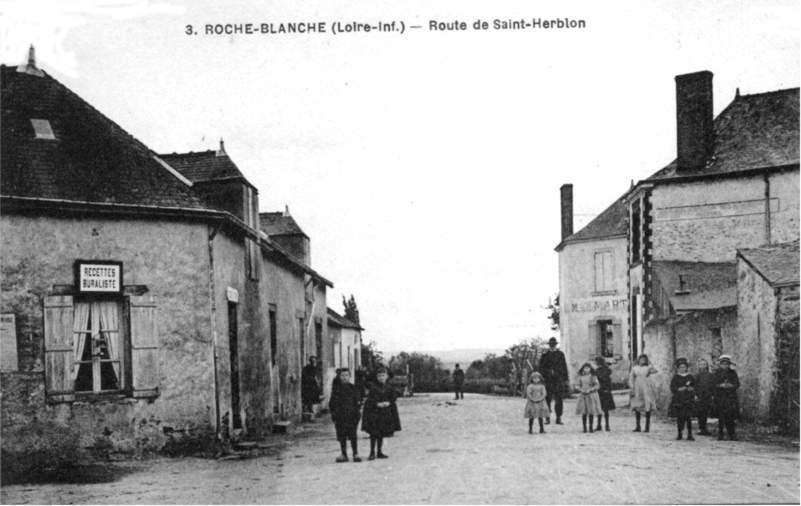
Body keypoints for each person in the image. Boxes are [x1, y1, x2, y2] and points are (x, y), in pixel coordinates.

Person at [362, 367, 401, 460]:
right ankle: (372, 452)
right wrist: (376, 404)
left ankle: (379, 452)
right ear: (376, 377)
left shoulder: (389, 387)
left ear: (387, 376)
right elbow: (369, 399)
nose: (381, 377)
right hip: (374, 412)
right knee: (373, 433)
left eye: (383, 375)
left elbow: (394, 397)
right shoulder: (373, 387)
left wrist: (389, 402)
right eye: (379, 376)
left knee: (381, 432)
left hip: (385, 412)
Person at [329, 368, 363, 463]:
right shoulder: (336, 389)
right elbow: (332, 403)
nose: (344, 377)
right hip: (340, 416)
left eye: (346, 375)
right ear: (339, 377)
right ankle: (344, 454)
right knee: (342, 434)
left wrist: (356, 413)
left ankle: (355, 453)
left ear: (349, 376)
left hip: (352, 416)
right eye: (342, 375)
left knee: (353, 434)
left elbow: (358, 402)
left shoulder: (354, 388)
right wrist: (334, 415)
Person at [540, 337, 569, 424]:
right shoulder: (545, 355)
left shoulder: (560, 354)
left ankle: (558, 417)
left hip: (558, 380)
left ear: (556, 345)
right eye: (551, 344)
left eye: (554, 344)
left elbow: (564, 367)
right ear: (549, 345)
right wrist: (543, 377)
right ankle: (547, 417)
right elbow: (541, 368)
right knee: (547, 399)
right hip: (548, 380)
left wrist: (565, 379)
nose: (552, 346)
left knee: (559, 399)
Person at [712, 355, 740, 441]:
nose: (725, 366)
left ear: (729, 364)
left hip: (730, 397)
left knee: (730, 416)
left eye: (726, 364)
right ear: (720, 365)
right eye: (723, 364)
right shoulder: (717, 373)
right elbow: (713, 384)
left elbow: (737, 384)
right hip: (720, 397)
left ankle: (731, 434)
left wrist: (731, 385)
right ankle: (720, 434)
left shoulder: (733, 373)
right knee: (721, 416)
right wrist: (721, 385)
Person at [629, 354, 658, 433]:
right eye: (641, 360)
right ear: (639, 360)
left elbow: (655, 371)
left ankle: (647, 426)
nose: (643, 361)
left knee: (647, 405)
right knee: (637, 406)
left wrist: (650, 364)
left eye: (644, 360)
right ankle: (638, 426)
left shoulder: (648, 368)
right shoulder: (634, 368)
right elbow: (631, 379)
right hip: (637, 387)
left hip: (646, 387)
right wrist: (632, 388)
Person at [669, 358, 696, 441]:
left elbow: (695, 386)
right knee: (680, 417)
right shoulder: (676, 377)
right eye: (680, 367)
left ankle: (690, 434)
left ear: (686, 368)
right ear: (678, 368)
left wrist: (691, 389)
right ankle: (679, 433)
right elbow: (672, 387)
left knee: (688, 417)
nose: (682, 369)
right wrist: (679, 389)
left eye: (684, 367)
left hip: (688, 398)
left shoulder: (690, 376)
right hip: (679, 399)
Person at [575, 363, 602, 433]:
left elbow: (597, 385)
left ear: (590, 369)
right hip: (583, 395)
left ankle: (590, 427)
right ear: (583, 369)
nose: (586, 369)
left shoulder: (593, 376)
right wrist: (580, 389)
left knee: (591, 411)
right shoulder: (580, 376)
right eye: (585, 368)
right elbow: (577, 385)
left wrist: (590, 390)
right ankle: (584, 427)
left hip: (591, 395)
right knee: (584, 411)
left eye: (588, 368)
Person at [593, 356, 616, 431]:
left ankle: (606, 425)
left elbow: (607, 380)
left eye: (596, 361)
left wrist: (608, 389)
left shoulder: (606, 370)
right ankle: (600, 425)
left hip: (604, 391)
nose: (595, 363)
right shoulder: (597, 370)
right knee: (599, 409)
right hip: (599, 391)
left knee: (605, 409)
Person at [694, 358, 714, 436]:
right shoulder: (697, 375)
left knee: (705, 412)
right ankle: (700, 428)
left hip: (707, 396)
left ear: (707, 365)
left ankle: (704, 428)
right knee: (700, 412)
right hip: (699, 396)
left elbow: (712, 385)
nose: (703, 366)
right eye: (701, 364)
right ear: (699, 366)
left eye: (704, 364)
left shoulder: (710, 375)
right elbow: (694, 386)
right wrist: (695, 395)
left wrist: (712, 395)